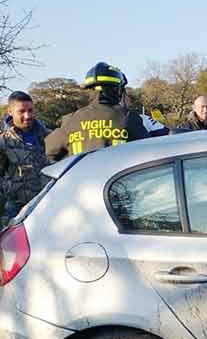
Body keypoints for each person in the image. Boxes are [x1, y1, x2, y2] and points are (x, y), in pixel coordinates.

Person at [45, 62, 149, 162]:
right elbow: (148, 150)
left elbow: (48, 151)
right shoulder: (129, 118)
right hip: (117, 179)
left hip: (78, 179)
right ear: (116, 90)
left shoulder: (71, 120)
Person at [1, 92, 51, 225]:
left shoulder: (49, 136)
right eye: (21, 111)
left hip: (48, 203)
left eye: (30, 110)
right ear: (10, 112)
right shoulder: (4, 142)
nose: (27, 116)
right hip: (16, 210)